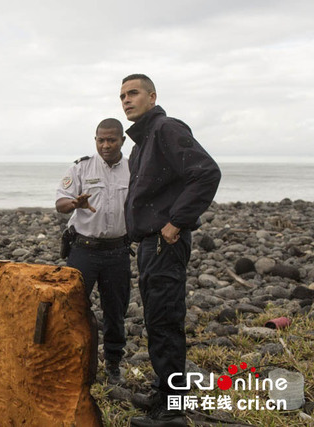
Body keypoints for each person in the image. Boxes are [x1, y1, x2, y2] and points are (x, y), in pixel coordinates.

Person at [119, 74, 221, 427]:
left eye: (133, 93)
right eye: (122, 96)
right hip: (150, 245)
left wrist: (177, 222)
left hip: (166, 241)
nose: (126, 100)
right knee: (155, 321)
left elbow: (206, 172)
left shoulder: (165, 129)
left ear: (152, 96)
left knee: (165, 322)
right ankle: (164, 394)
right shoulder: (140, 144)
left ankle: (174, 410)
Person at [56, 118, 131, 386]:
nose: (106, 145)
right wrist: (74, 202)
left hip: (118, 252)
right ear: (95, 140)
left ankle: (113, 365)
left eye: (111, 140)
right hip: (83, 251)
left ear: (122, 140)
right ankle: (70, 362)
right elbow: (60, 203)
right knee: (72, 308)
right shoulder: (82, 167)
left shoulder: (134, 168)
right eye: (101, 140)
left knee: (115, 312)